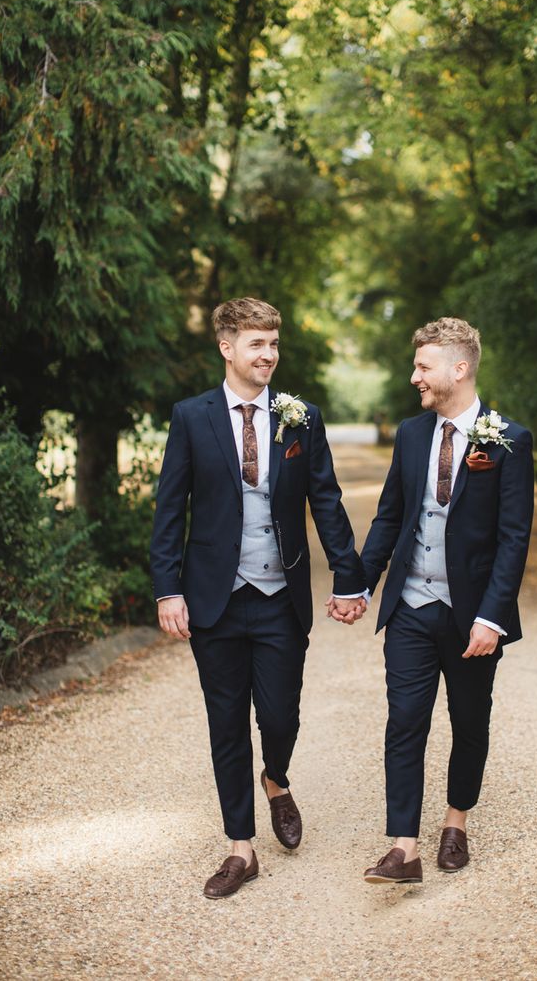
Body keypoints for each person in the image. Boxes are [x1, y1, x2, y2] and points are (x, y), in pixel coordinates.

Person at [150, 297, 367, 899]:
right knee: (226, 723)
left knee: (279, 714)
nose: (269, 355)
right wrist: (168, 588)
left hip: (279, 595)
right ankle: (240, 849)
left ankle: (276, 777)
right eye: (257, 344)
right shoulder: (192, 417)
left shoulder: (300, 418)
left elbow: (325, 500)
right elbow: (172, 508)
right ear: (227, 347)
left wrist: (349, 576)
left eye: (274, 344)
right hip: (214, 597)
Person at [355, 317, 533, 884]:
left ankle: (456, 821)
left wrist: (492, 617)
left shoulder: (509, 438)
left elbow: (514, 538)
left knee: (469, 721)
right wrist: (358, 583)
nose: (415, 377)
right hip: (410, 606)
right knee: (404, 721)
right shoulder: (410, 435)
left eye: (424, 366)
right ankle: (403, 846)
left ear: (459, 369)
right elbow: (390, 517)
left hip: (472, 616)